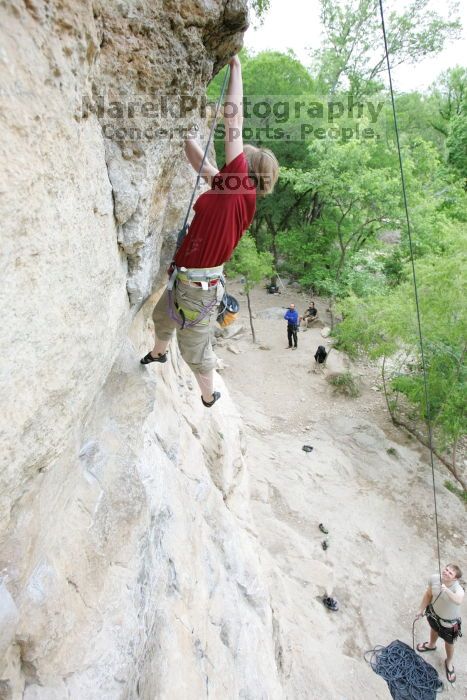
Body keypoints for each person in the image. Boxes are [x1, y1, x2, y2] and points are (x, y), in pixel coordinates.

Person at [140, 55, 279, 407]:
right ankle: (157, 354)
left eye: (243, 158)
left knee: (194, 348)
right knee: (163, 317)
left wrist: (236, 69)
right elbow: (202, 164)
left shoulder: (239, 188)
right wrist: (182, 132)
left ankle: (208, 394)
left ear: (248, 171)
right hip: (188, 279)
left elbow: (233, 118)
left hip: (198, 288)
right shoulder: (230, 188)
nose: (238, 156)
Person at [416, 563, 464, 684]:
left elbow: (458, 600)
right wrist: (421, 609)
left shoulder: (458, 588)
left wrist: (447, 590)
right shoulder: (434, 578)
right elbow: (428, 594)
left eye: (450, 573)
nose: (446, 573)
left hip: (449, 623)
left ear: (455, 578)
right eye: (446, 570)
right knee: (434, 629)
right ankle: (431, 645)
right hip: (434, 614)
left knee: (449, 643)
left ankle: (449, 661)